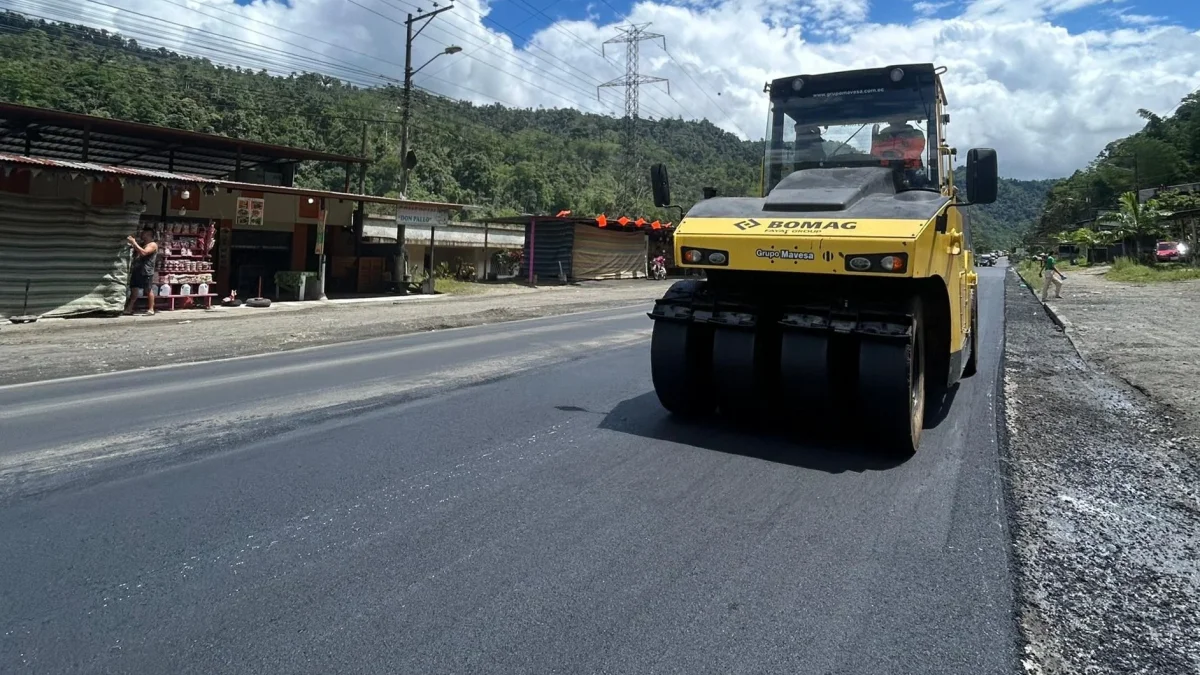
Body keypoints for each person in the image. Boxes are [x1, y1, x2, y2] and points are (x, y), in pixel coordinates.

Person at [124, 227, 159, 316]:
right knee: (134, 289)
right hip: (137, 269)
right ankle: (129, 308)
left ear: (148, 234)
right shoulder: (142, 244)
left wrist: (134, 242)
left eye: (143, 233)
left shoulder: (152, 245)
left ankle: (151, 309)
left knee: (148, 289)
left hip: (146, 270)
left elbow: (144, 253)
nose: (141, 234)